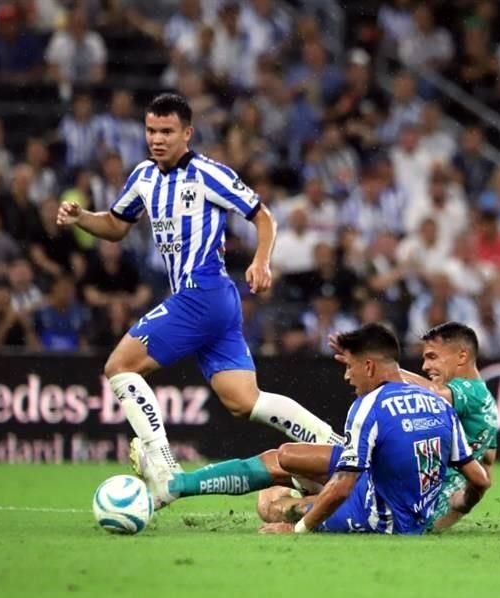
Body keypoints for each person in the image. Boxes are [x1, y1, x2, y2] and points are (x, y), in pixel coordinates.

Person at [56, 93, 342, 491]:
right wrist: (82, 217)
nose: (157, 139)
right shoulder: (143, 177)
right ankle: (333, 446)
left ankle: (163, 464)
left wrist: (261, 261)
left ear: (187, 133)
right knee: (244, 400)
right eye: (151, 130)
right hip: (216, 303)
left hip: (201, 292)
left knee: (120, 367)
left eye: (167, 132)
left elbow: (263, 217)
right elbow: (117, 226)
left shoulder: (209, 174)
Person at [136, 324, 491, 535]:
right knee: (286, 454)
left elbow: (344, 486)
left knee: (274, 507)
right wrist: (459, 506)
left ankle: (294, 499)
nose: (346, 376)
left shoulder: (459, 394)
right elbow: (480, 476)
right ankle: (176, 485)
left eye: (432, 358)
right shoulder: (446, 407)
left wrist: (298, 529)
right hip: (396, 477)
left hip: (389, 506)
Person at [395, 322, 497, 531]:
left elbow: (433, 394)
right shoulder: (485, 400)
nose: (424, 366)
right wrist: (459, 508)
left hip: (413, 507)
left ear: (462, 356)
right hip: (428, 505)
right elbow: (488, 461)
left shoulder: (471, 392)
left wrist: (386, 371)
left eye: (432, 357)